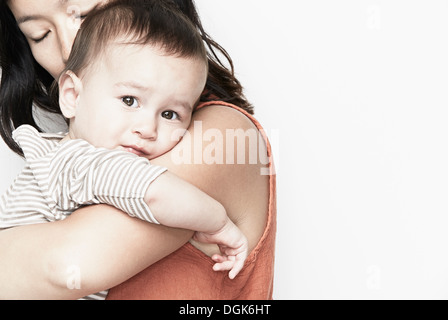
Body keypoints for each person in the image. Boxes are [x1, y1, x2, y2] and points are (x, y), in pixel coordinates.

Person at [0, 0, 276, 300]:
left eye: (86, 14)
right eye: (40, 34)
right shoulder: (76, 157)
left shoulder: (219, 135)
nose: (69, 49)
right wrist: (217, 222)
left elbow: (69, 262)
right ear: (71, 93)